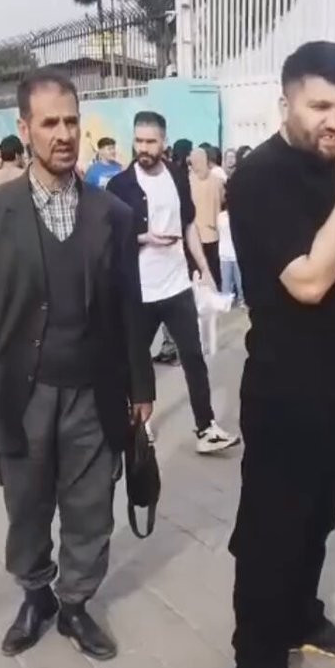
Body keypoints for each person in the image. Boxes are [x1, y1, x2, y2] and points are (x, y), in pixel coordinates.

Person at [0, 69, 153, 662]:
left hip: (94, 394)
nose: (63, 134)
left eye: (71, 121)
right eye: (49, 123)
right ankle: (35, 595)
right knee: (27, 509)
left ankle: (76, 604)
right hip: (21, 397)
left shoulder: (112, 214)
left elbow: (129, 308)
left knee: (91, 509)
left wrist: (141, 387)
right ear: (24, 127)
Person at [227, 41, 335, 668]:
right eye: (320, 105)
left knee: (316, 519)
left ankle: (299, 617)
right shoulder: (263, 178)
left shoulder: (330, 167)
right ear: (285, 102)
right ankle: (256, 663)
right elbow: (310, 282)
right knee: (273, 530)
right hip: (287, 390)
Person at [108, 112, 239, 454]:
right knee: (136, 360)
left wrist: (205, 270)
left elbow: (189, 225)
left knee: (193, 357)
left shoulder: (178, 176)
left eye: (150, 141)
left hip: (177, 285)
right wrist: (143, 237)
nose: (143, 148)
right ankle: (141, 422)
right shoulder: (120, 186)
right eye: (138, 140)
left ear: (163, 142)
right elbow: (111, 237)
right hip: (140, 290)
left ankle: (206, 428)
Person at [189, 145, 223, 288]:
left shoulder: (189, 181)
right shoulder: (218, 180)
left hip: (195, 234)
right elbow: (223, 200)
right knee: (214, 267)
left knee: (198, 269)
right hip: (214, 232)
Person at [218, 195, 243, 306]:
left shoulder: (220, 217)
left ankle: (226, 302)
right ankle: (242, 300)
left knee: (226, 281)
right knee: (240, 280)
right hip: (235, 253)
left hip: (224, 253)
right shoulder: (237, 216)